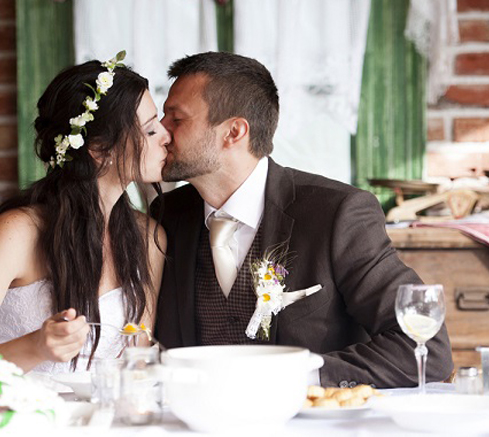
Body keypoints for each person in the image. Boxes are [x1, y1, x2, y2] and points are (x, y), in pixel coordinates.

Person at [151, 51, 453, 388]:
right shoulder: (165, 217)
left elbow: (424, 347)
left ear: (233, 132)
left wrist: (301, 376)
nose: (161, 132)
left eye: (175, 119)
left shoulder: (337, 213)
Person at [0, 53, 170, 377]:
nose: (166, 136)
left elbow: (138, 365)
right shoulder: (18, 232)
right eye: (150, 131)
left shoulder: (149, 238)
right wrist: (36, 346)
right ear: (98, 149)